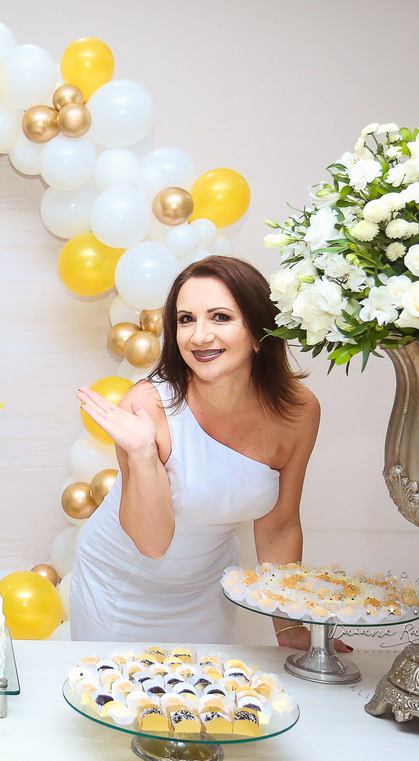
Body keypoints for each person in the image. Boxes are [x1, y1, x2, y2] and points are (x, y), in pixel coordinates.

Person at [70, 255, 344, 652]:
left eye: (220, 317)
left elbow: (279, 526)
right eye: (186, 319)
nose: (199, 336)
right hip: (121, 587)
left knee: (207, 688)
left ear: (259, 332)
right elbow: (151, 543)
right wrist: (143, 453)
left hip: (207, 588)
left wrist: (290, 628)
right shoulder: (147, 407)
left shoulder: (299, 411)